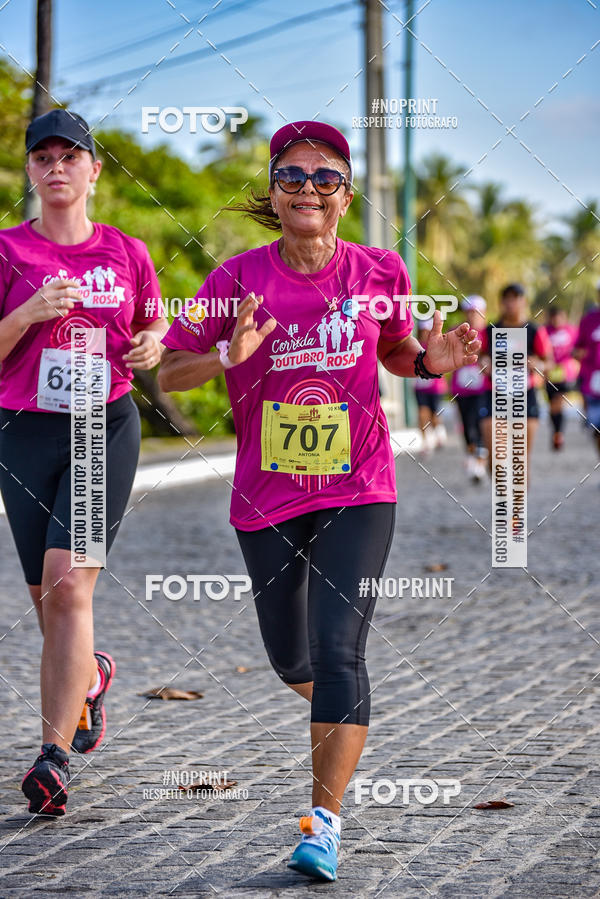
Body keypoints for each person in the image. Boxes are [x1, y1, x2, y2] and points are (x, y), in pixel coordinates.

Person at [158, 120, 480, 882]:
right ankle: (346, 710)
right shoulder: (237, 279)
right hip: (267, 496)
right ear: (274, 192)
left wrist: (432, 362)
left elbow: (401, 350)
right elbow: (169, 372)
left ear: (345, 194)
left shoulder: (380, 270)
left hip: (359, 487)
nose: (307, 188)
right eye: (292, 176)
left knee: (340, 651)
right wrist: (223, 356)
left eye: (324, 176)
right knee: (291, 658)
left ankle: (323, 824)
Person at [0, 109, 167, 816]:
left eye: (72, 156)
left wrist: (153, 344)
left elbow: (155, 319)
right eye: (45, 157)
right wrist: (29, 311)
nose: (58, 167)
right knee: (50, 598)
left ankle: (53, 756)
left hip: (103, 426)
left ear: (94, 170)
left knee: (69, 588)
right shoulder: (7, 251)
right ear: (31, 172)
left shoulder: (126, 251)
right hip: (23, 429)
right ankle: (91, 676)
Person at [479, 283, 551, 480]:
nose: (511, 303)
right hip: (495, 394)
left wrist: (536, 364)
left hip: (525, 395)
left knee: (520, 460)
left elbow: (549, 362)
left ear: (523, 301)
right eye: (507, 298)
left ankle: (516, 509)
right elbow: (480, 357)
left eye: (515, 298)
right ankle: (503, 496)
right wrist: (485, 363)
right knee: (497, 458)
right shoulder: (491, 329)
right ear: (502, 302)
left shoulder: (534, 330)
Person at [449, 295, 488, 481]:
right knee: (467, 425)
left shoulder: (490, 333)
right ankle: (471, 454)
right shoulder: (456, 333)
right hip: (462, 388)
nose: (473, 316)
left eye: (477, 312)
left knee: (481, 422)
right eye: (470, 312)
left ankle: (480, 460)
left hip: (483, 389)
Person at [545, 306, 579, 450]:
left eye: (559, 317)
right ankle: (556, 430)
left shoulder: (571, 331)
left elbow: (580, 347)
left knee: (559, 400)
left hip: (566, 373)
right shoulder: (545, 331)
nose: (557, 320)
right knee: (553, 405)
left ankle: (559, 434)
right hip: (549, 373)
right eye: (554, 317)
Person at [413, 318, 448, 455]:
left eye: (428, 330)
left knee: (434, 415)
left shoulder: (438, 345)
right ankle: (425, 442)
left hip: (435, 387)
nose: (425, 333)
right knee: (422, 413)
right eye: (423, 330)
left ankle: (438, 431)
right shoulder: (415, 345)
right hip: (420, 386)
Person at [574, 278, 600, 459]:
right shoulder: (588, 320)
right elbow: (576, 348)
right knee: (598, 428)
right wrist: (580, 353)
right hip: (593, 382)